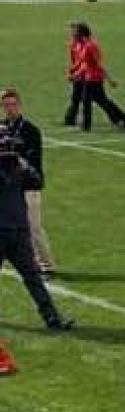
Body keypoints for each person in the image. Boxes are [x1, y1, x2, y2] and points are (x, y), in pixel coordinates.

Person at [0, 137, 71, 331]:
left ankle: (52, 318)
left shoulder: (16, 167)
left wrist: (23, 165)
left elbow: (37, 182)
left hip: (19, 232)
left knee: (33, 276)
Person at [0, 90, 55, 277]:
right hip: (8, 188)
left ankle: (46, 263)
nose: (10, 108)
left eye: (13, 104)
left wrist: (14, 159)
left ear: (20, 105)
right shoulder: (3, 128)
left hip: (28, 186)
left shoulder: (30, 130)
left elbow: (33, 161)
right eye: (6, 105)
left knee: (33, 226)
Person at [69, 23, 125, 132]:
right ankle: (122, 118)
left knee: (87, 100)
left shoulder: (91, 46)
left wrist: (109, 79)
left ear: (81, 33)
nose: (73, 33)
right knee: (101, 101)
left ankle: (86, 126)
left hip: (95, 79)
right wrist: (76, 75)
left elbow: (98, 63)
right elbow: (85, 65)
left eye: (76, 32)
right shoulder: (84, 45)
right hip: (89, 78)